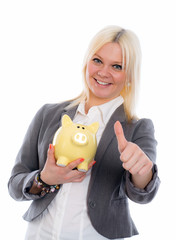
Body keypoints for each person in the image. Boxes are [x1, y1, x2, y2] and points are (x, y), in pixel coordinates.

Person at [8, 25, 160, 240]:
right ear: (86, 62)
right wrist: (44, 179)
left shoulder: (137, 127)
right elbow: (15, 184)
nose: (103, 72)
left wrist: (141, 171)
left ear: (129, 76)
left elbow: (144, 193)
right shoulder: (48, 114)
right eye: (97, 60)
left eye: (117, 66)